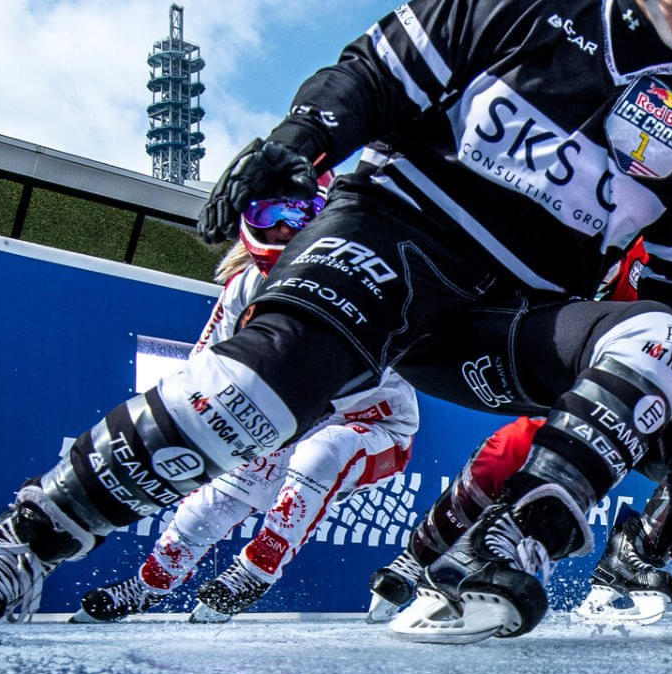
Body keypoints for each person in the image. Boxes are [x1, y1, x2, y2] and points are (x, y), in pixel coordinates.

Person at [0, 0, 672, 647]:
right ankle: (23, 542)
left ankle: (505, 550)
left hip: (501, 323)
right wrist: (300, 138)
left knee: (662, 342)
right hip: (390, 239)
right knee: (248, 394)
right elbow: (375, 75)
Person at [370, 125, 672, 627]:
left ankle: (639, 551)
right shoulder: (639, 238)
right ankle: (428, 549)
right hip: (606, 403)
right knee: (517, 444)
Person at [73, 191, 420, 622]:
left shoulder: (363, 281)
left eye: (298, 217)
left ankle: (255, 572)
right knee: (205, 509)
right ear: (249, 225)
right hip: (283, 414)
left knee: (320, 455)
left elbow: (368, 373)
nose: (283, 229)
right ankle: (147, 586)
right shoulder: (244, 289)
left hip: (373, 424)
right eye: (269, 214)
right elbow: (206, 365)